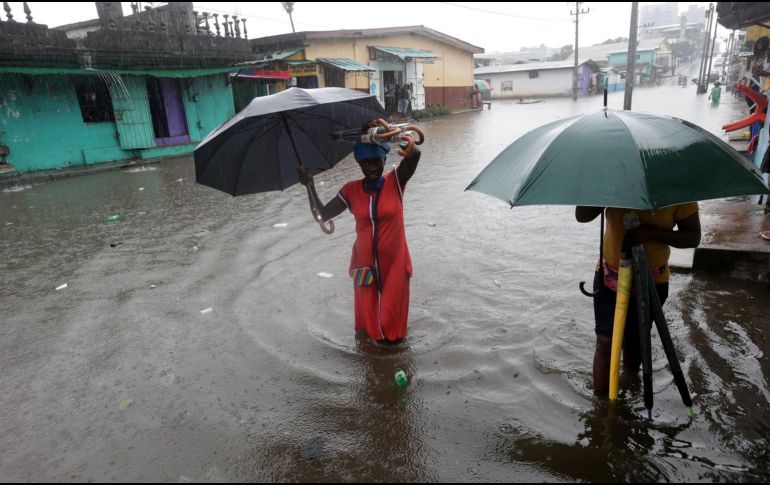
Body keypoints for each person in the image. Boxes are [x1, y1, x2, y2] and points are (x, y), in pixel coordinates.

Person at [298, 140, 421, 344]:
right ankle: (372, 364)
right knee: (369, 326)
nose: (371, 168)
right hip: (364, 265)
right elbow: (323, 214)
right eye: (365, 163)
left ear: (384, 159)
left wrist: (392, 134)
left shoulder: (397, 181)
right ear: (359, 164)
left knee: (391, 326)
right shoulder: (351, 191)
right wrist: (309, 186)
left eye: (376, 162)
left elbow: (414, 153)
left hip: (395, 264)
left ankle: (392, 360)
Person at [575, 204, 701, 395]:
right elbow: (582, 216)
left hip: (651, 279)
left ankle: (630, 384)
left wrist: (652, 233)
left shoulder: (678, 186)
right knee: (605, 342)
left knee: (634, 342)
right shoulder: (612, 177)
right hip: (609, 275)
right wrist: (605, 187)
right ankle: (601, 408)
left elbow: (693, 236)